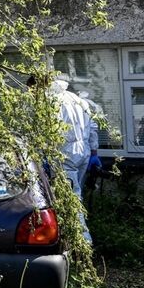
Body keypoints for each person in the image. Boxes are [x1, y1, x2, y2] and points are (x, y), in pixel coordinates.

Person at [48, 75, 95, 244]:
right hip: (84, 152)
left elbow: (51, 130)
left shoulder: (52, 101)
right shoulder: (78, 100)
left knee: (71, 199)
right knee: (76, 196)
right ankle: (69, 238)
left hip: (66, 153)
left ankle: (82, 245)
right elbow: (93, 126)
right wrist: (94, 152)